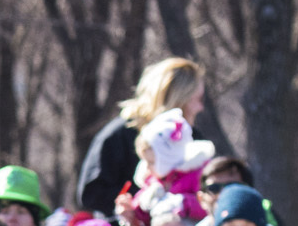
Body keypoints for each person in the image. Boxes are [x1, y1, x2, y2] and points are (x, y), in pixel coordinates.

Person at [77, 57, 205, 216]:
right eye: (198, 99)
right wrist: (142, 200)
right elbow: (92, 193)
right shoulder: (120, 134)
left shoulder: (191, 137)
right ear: (178, 98)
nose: (201, 107)